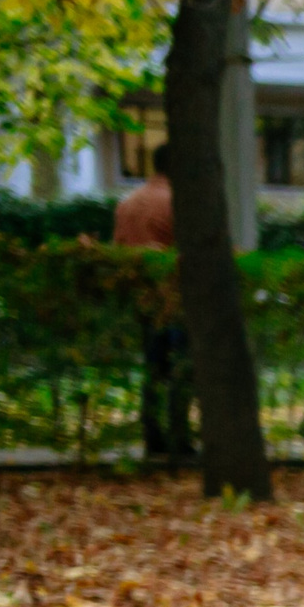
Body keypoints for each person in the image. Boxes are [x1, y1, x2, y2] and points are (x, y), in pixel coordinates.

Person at [114, 144, 189, 464]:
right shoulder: (175, 203)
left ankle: (152, 433)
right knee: (180, 369)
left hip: (140, 300)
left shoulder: (128, 204)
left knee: (152, 368)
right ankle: (178, 436)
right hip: (173, 300)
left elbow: (117, 250)